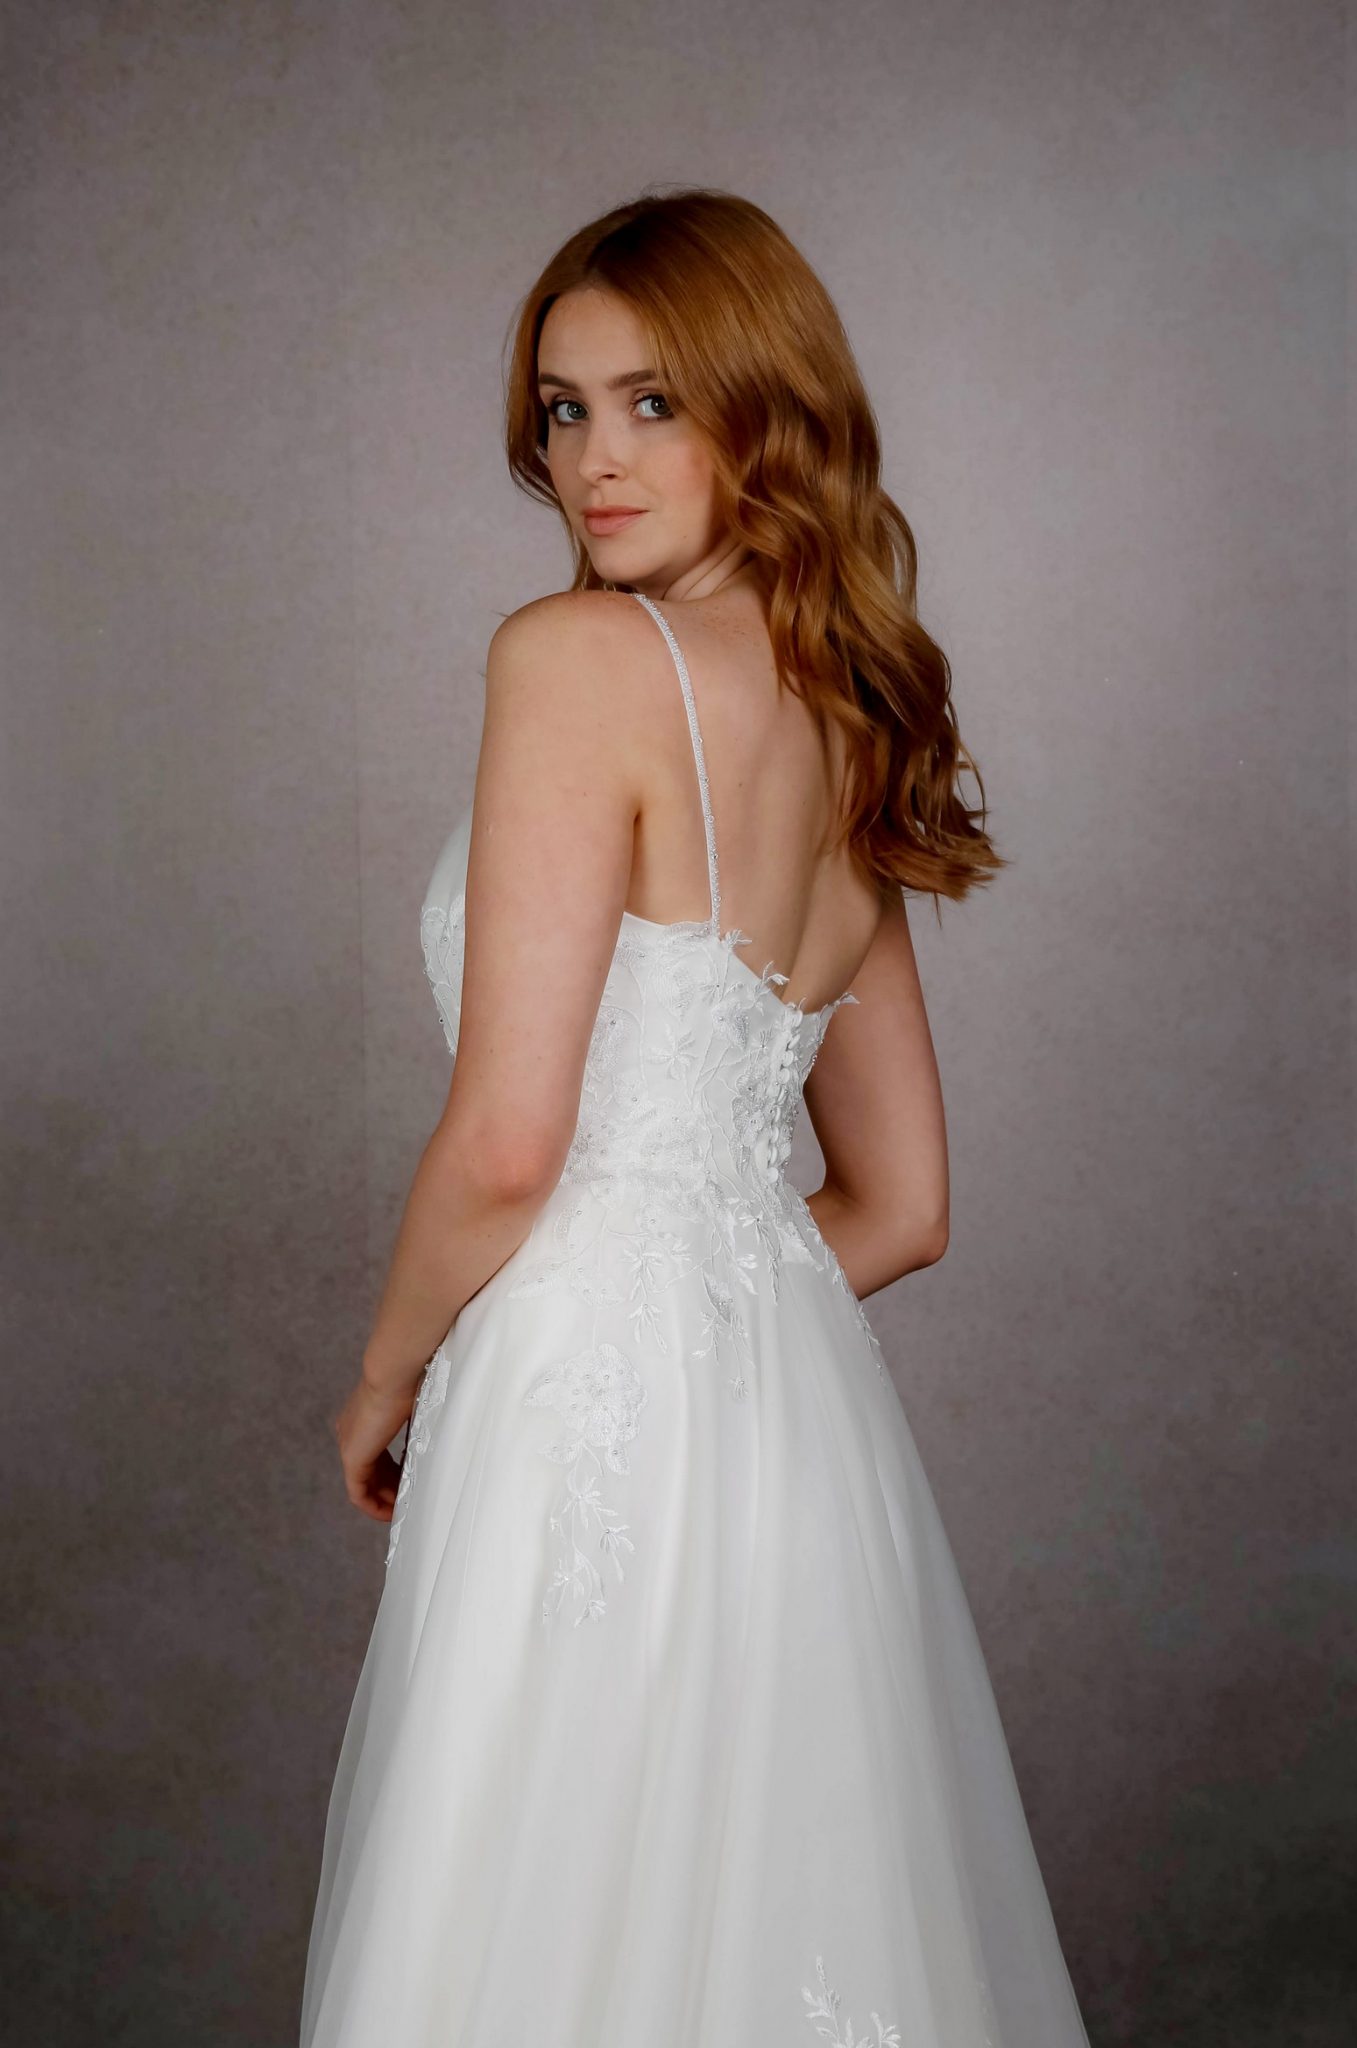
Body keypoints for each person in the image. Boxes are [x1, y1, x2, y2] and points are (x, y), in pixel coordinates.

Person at [299, 187, 1092, 2048]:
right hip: (786, 1432)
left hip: (571, 1409)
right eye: (563, 409)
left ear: (768, 409)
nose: (593, 458)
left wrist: (388, 1379)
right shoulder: (848, 717)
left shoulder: (572, 661)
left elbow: (509, 1143)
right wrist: (711, 1310)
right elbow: (900, 1206)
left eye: (653, 402)